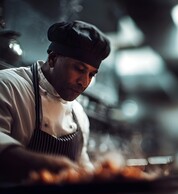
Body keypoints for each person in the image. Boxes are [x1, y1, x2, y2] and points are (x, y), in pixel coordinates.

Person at [0, 20, 111, 182]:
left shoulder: (79, 115)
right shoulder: (8, 86)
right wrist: (48, 163)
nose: (84, 82)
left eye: (91, 74)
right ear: (52, 59)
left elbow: (82, 166)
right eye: (79, 69)